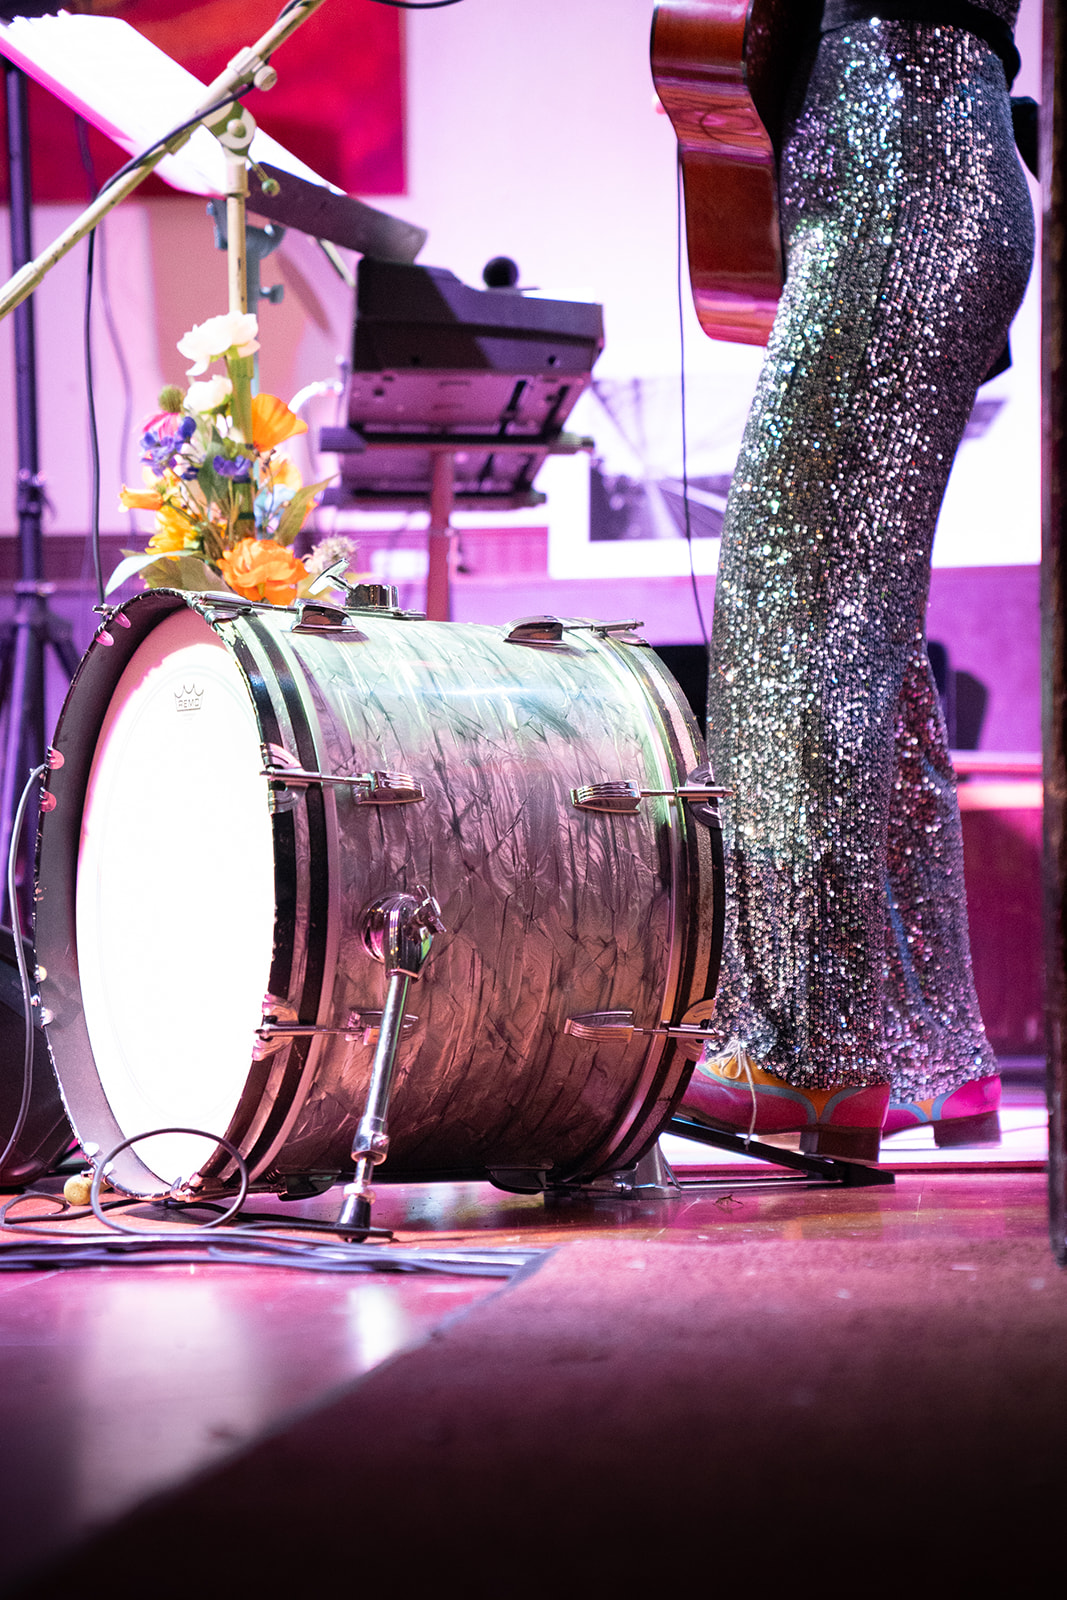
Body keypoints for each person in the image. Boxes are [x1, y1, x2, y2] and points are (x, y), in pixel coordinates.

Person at [679, 1, 1034, 1161]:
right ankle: (929, 1048)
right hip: (926, 165)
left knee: (791, 616)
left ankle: (808, 1052)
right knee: (857, 623)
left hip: (894, 173)